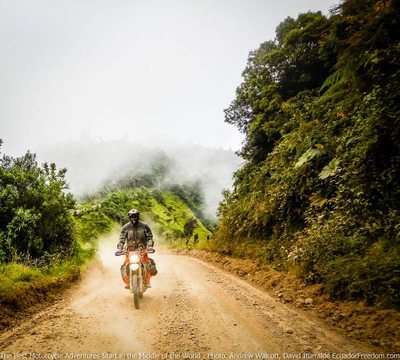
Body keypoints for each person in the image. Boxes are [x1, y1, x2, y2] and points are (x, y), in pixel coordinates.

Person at [117, 209, 154, 289]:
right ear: (129, 217)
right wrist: (120, 248)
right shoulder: (126, 227)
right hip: (130, 251)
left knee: (147, 264)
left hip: (142, 250)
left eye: (135, 216)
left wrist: (150, 246)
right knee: (125, 266)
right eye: (132, 216)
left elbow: (149, 237)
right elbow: (121, 239)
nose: (134, 218)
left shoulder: (144, 226)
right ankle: (127, 282)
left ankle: (147, 281)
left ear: (138, 216)